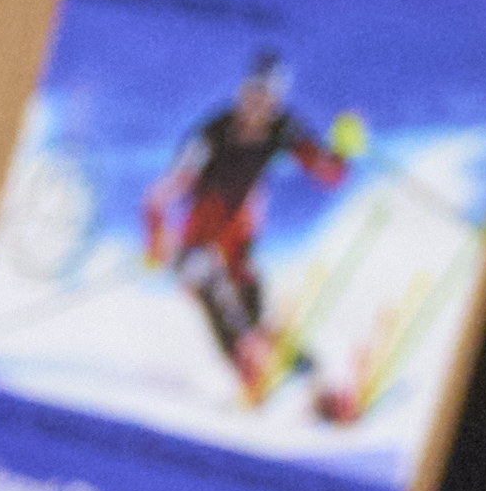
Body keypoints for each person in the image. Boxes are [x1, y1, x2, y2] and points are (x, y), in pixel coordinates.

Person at [154, 42, 360, 402]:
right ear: (242, 92)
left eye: (268, 98)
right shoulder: (212, 133)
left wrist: (346, 147)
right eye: (253, 94)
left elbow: (327, 173)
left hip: (238, 240)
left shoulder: (283, 128)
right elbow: (163, 193)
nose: (259, 106)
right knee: (211, 287)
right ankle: (252, 373)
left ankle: (302, 377)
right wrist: (157, 238)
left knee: (253, 310)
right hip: (196, 240)